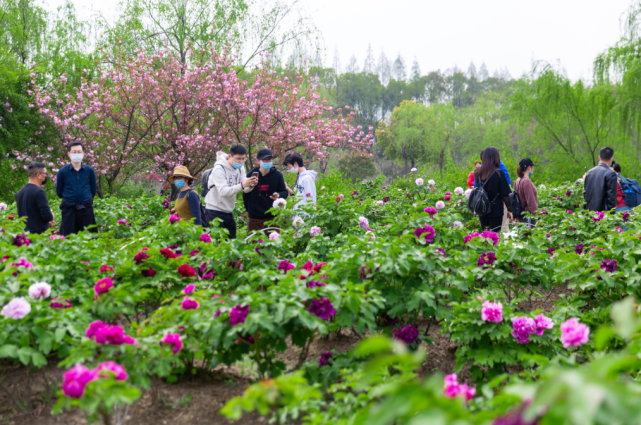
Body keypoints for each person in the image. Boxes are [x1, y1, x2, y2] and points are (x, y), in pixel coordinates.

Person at [204, 144, 257, 239]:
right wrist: (243, 185)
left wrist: (251, 185)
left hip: (228, 211)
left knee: (232, 242)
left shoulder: (240, 168)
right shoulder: (219, 168)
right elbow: (223, 191)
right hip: (214, 210)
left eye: (243, 159)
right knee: (216, 243)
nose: (241, 161)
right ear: (229, 156)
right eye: (238, 158)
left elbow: (245, 188)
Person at [243, 148, 288, 233]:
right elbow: (245, 194)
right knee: (254, 244)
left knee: (273, 244)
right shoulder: (251, 175)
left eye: (269, 160)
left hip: (272, 217)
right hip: (255, 218)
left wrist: (278, 195)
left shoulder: (277, 175)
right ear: (258, 161)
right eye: (264, 160)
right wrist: (247, 209)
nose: (267, 162)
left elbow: (284, 192)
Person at [56, 142, 97, 236]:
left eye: (79, 151)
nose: (77, 154)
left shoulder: (89, 170)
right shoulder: (62, 172)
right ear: (69, 154)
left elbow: (93, 190)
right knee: (68, 237)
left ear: (83, 153)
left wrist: (86, 198)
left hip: (86, 208)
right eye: (74, 152)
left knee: (88, 237)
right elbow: (59, 192)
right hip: (69, 209)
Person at [474, 147, 513, 232]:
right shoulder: (499, 173)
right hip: (496, 210)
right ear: (496, 158)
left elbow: (477, 189)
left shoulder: (477, 173)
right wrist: (511, 210)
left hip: (482, 209)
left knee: (485, 235)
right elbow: (505, 195)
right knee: (494, 236)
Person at [15, 162, 55, 234]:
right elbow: (47, 216)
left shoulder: (19, 192)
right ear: (38, 175)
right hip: (38, 236)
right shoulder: (39, 192)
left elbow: (31, 215)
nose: (46, 176)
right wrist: (52, 214)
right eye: (45, 174)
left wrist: (46, 224)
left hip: (25, 235)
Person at [282, 152, 317, 217]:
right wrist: (287, 188)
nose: (289, 168)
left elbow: (311, 199)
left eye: (289, 166)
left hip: (305, 217)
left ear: (295, 164)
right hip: (298, 216)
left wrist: (308, 219)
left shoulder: (307, 178)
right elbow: (298, 195)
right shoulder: (300, 177)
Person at [583, 147, 617, 212]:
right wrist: (611, 214)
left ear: (599, 158)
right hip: (602, 215)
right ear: (611, 159)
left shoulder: (589, 172)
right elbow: (611, 198)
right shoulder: (611, 173)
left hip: (588, 212)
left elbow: (585, 193)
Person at [513, 158, 538, 227]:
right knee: (529, 236)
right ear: (529, 168)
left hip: (520, 216)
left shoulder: (517, 180)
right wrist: (538, 216)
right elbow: (531, 201)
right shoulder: (526, 181)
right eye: (532, 167)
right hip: (528, 216)